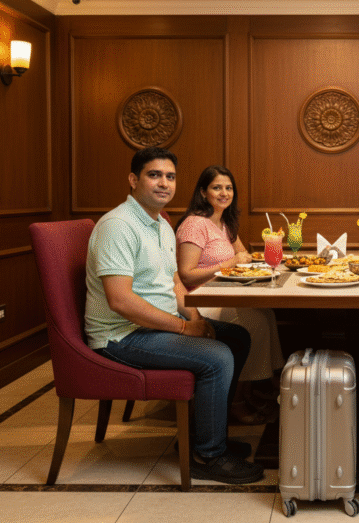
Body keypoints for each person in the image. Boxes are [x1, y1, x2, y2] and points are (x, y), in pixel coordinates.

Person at [84, 147, 264, 484]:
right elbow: (120, 301)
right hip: (121, 335)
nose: (164, 183)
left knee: (237, 337)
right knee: (218, 356)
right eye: (154, 175)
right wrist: (183, 327)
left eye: (170, 177)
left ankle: (204, 435)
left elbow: (175, 282)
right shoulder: (119, 225)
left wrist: (196, 321)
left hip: (155, 325)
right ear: (134, 180)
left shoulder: (161, 224)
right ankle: (208, 455)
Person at [175, 165, 284, 425]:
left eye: (229, 188)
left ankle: (249, 391)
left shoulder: (223, 222)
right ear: (203, 192)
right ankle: (236, 401)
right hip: (199, 301)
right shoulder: (194, 224)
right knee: (253, 323)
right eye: (217, 187)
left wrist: (261, 256)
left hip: (224, 294)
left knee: (265, 315)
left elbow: (243, 255)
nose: (224, 193)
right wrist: (230, 263)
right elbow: (186, 275)